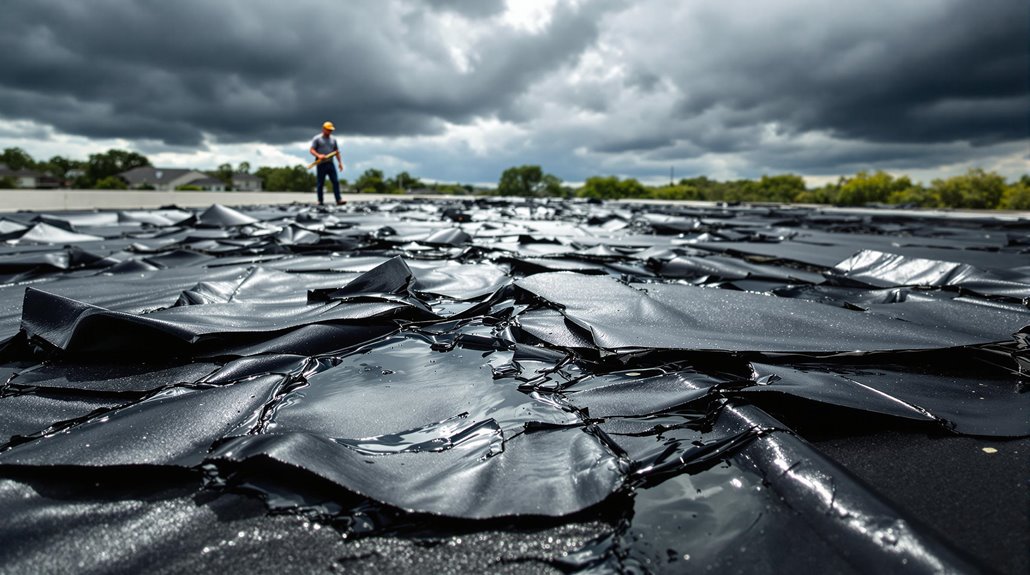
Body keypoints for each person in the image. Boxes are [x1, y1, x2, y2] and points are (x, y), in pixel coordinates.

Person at [309, 121, 346, 205]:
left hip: (330, 163)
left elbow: (336, 151)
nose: (330, 132)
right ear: (324, 129)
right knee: (320, 183)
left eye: (331, 130)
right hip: (321, 163)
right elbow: (311, 150)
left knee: (335, 181)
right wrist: (318, 155)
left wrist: (340, 162)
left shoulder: (333, 139)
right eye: (328, 130)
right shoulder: (317, 139)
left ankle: (338, 200)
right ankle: (320, 200)